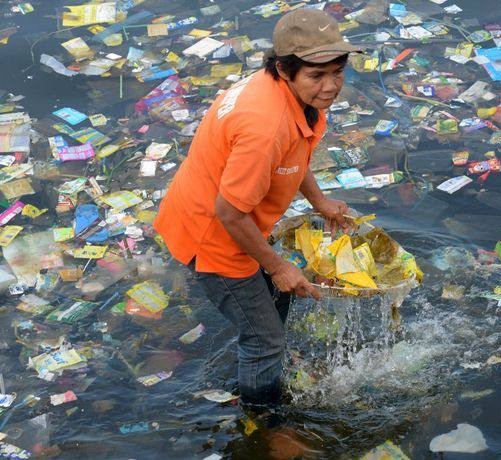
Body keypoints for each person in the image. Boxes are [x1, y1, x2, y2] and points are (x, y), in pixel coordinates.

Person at [153, 8, 360, 407]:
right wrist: (278, 266)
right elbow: (229, 213)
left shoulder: (283, 94)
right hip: (214, 236)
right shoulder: (265, 126)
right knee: (264, 340)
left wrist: (319, 201)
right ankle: (260, 421)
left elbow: (293, 153)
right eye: (317, 76)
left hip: (216, 211)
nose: (331, 86)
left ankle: (263, 353)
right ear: (285, 69)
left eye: (337, 72)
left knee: (275, 303)